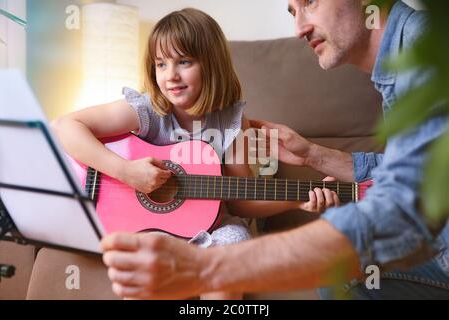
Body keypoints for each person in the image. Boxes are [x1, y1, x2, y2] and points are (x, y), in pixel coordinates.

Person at [100, 0, 449, 299]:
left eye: (310, 2)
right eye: (292, 10)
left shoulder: (427, 52)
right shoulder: (401, 63)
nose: (299, 27)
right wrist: (314, 155)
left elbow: (401, 206)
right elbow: (420, 175)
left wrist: (208, 264)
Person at [52, 8, 333, 300]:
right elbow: (65, 126)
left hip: (216, 228)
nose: (170, 75)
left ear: (211, 65)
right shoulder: (147, 110)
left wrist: (298, 199)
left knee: (227, 270)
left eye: (183, 61)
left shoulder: (233, 123)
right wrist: (125, 171)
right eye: (161, 64)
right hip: (152, 229)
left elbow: (241, 202)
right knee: (146, 277)